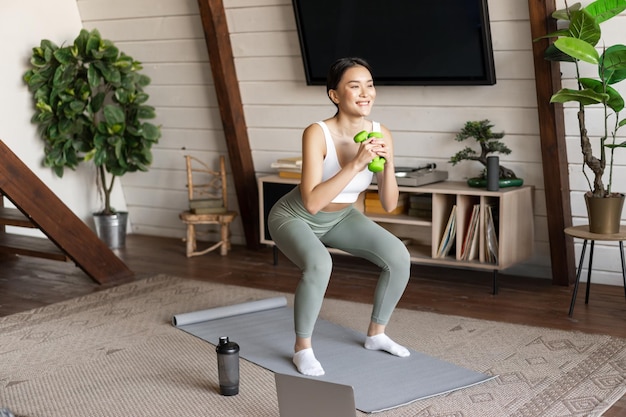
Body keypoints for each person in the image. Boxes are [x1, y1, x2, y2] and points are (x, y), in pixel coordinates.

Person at [267, 57, 412, 376]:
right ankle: (302, 349)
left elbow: (388, 204)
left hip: (342, 218)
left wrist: (387, 165)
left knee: (399, 257)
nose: (366, 93)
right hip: (294, 217)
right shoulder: (317, 133)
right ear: (335, 95)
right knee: (320, 263)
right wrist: (356, 164)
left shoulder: (381, 132)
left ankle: (377, 334)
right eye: (354, 86)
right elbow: (313, 202)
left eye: (370, 85)